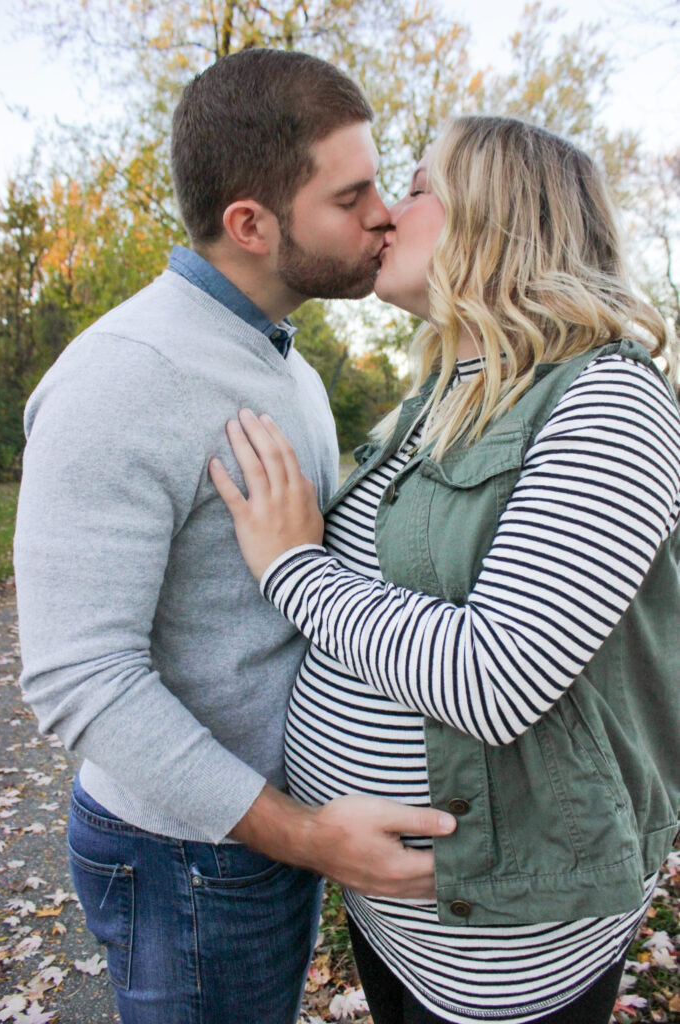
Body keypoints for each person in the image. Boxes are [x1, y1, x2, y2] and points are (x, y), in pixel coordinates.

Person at [13, 49, 456, 1024]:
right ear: (250, 223)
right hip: (188, 861)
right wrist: (301, 834)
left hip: (261, 841)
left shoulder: (283, 362)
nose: (384, 211)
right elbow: (76, 677)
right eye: (352, 196)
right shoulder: (123, 376)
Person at [210, 115, 680, 1024]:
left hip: (500, 937)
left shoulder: (607, 397)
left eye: (417, 186)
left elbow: (494, 677)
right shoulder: (434, 400)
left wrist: (291, 568)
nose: (383, 214)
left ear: (500, 217)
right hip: (398, 920)